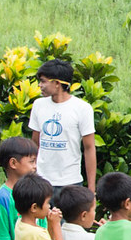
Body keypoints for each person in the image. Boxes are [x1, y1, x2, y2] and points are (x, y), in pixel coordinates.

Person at [29, 59, 97, 195]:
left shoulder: (82, 108)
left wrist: (91, 189)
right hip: (41, 182)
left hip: (71, 183)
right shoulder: (38, 105)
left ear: (57, 83)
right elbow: (35, 143)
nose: (40, 85)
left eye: (43, 81)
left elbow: (89, 148)